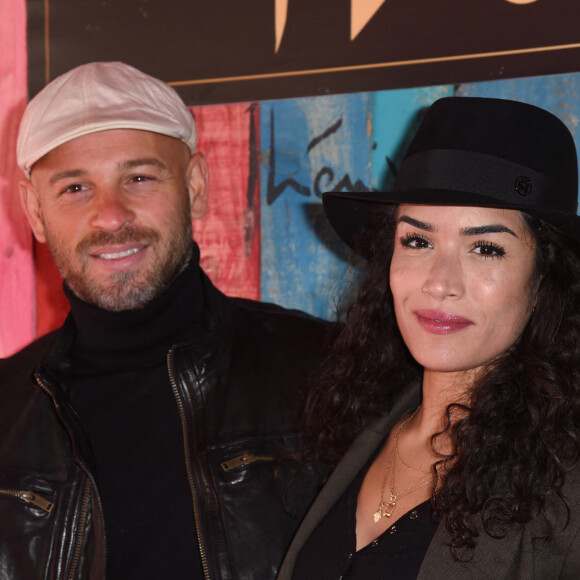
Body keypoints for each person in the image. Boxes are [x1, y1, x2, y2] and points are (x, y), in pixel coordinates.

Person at [0, 61, 327, 580]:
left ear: (194, 185)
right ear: (34, 212)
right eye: (75, 188)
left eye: (139, 177)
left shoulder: (328, 373)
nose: (111, 214)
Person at [278, 96, 580, 578]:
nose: (440, 282)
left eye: (486, 248)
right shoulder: (365, 428)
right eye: (417, 241)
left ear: (545, 280)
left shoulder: (566, 485)